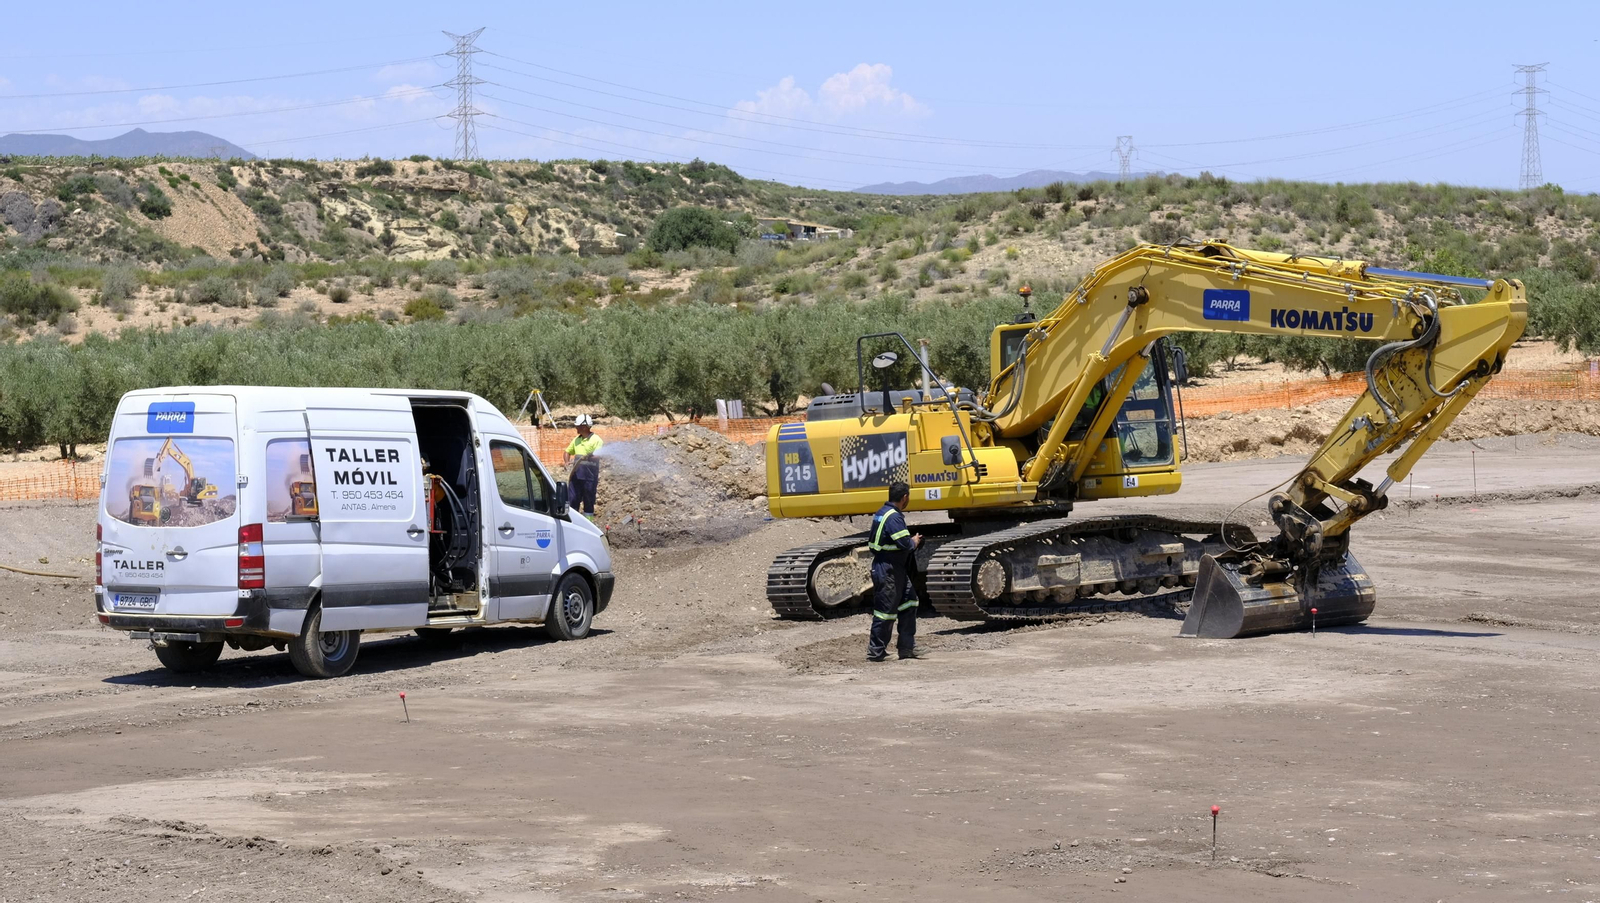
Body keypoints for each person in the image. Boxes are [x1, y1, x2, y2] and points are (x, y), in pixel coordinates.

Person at [866, 480, 924, 662]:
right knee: (886, 611)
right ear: (905, 497)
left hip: (893, 568)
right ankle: (876, 652)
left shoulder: (883, 512)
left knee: (910, 601)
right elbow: (905, 544)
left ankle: (907, 647)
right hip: (888, 569)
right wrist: (914, 541)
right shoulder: (893, 517)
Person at [564, 414, 603, 517]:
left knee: (588, 503)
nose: (576, 428)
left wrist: (589, 457)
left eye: (577, 426)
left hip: (589, 478)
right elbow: (567, 452)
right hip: (576, 477)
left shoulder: (596, 440)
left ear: (584, 427)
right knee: (572, 501)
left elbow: (599, 456)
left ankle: (588, 526)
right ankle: (573, 524)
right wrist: (567, 462)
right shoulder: (577, 440)